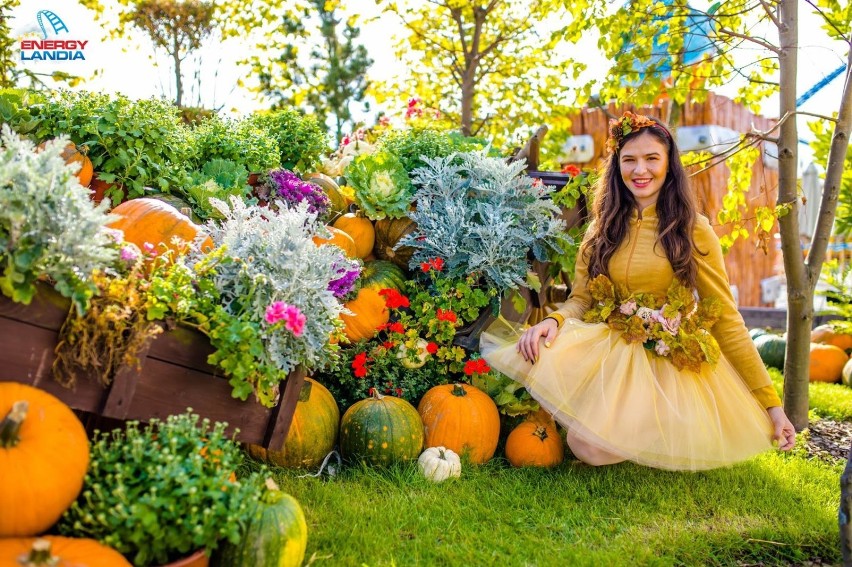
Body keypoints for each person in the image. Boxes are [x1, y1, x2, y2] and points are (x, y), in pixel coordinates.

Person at [480, 111, 796, 471]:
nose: (639, 170)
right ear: (617, 166)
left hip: (666, 356)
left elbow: (725, 317)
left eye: (651, 159)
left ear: (668, 165)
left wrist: (770, 404)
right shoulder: (602, 225)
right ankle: (630, 421)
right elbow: (582, 299)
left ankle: (671, 419)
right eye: (629, 160)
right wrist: (553, 321)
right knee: (582, 441)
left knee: (590, 448)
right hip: (611, 345)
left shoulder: (692, 229)